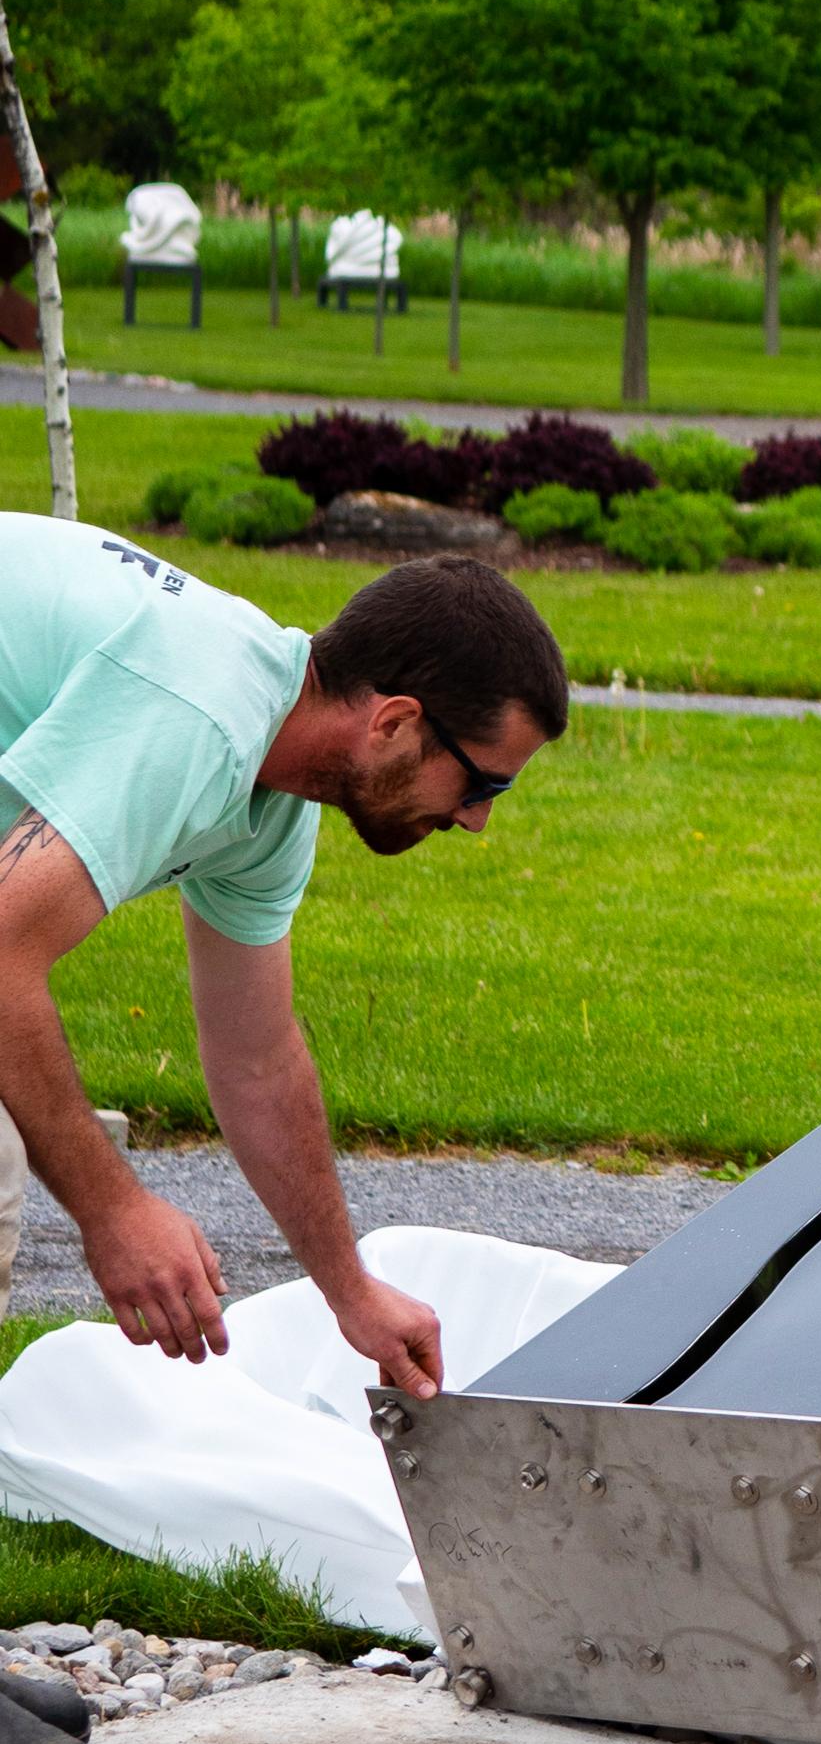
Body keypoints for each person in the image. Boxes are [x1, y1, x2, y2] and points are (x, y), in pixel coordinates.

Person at [0, 530, 570, 1398]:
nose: (477, 821)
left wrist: (352, 1294)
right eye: (483, 785)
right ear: (395, 722)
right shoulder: (202, 715)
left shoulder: (270, 799)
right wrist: (115, 1211)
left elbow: (257, 1057)